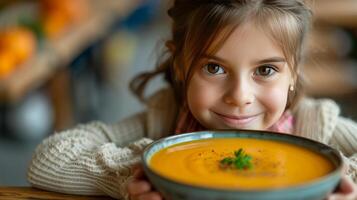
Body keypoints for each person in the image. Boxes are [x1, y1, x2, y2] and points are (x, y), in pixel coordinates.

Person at [27, 0, 357, 200]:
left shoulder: (314, 124)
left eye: (266, 70)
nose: (240, 96)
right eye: (214, 67)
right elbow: (46, 161)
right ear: (182, 65)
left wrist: (339, 179)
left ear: (294, 73)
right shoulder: (164, 117)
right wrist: (140, 176)